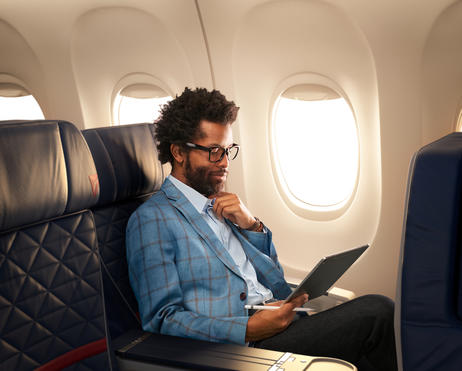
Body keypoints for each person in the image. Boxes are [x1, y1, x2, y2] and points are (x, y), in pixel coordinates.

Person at [126, 87, 397, 370]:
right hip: (243, 349)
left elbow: (276, 283)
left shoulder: (224, 207)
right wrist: (248, 328)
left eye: (229, 150)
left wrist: (252, 225)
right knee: (377, 311)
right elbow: (163, 318)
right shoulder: (152, 220)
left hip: (277, 323)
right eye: (214, 152)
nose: (225, 163)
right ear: (179, 152)